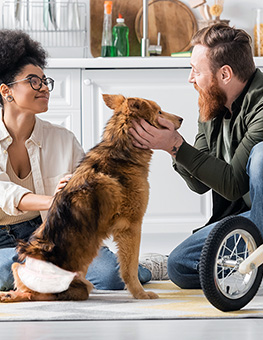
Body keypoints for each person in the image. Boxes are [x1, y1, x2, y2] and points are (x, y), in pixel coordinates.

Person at [0, 29, 167, 292]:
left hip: (54, 234)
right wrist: (54, 200)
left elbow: (88, 196)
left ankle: (145, 267)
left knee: (109, 277)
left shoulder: (62, 138)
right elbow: (3, 192)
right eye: (33, 81)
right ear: (6, 91)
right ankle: (38, 274)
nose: (44, 87)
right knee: (10, 270)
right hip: (2, 238)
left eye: (45, 81)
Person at [129, 23, 263, 289]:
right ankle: (251, 263)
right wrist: (171, 148)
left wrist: (178, 145)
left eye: (196, 70)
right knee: (179, 266)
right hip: (239, 221)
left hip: (256, 217)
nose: (190, 78)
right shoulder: (211, 102)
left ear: (225, 74)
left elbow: (234, 185)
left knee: (261, 155)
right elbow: (200, 184)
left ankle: (250, 259)